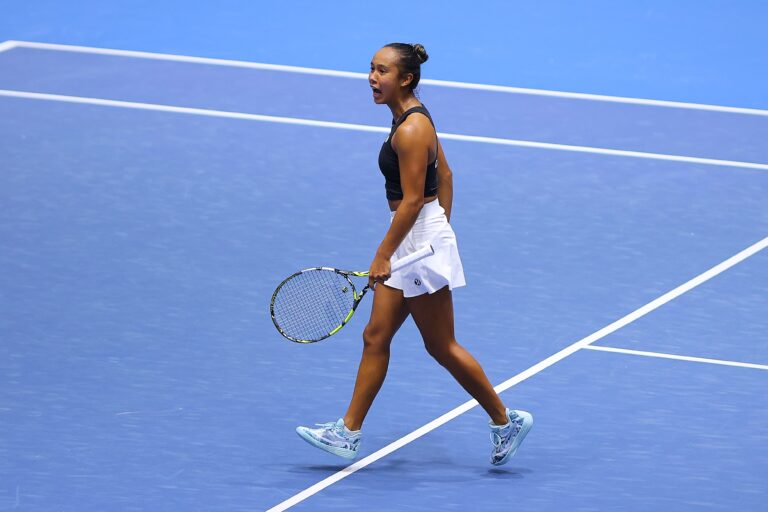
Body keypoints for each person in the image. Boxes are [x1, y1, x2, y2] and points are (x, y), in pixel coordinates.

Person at [296, 43, 532, 466]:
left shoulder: (410, 129)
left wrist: (395, 251)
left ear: (405, 78)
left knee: (441, 345)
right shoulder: (410, 118)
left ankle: (505, 420)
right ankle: (347, 432)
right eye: (370, 68)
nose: (372, 77)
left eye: (382, 71)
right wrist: (438, 229)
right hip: (416, 237)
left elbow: (409, 202)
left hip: (413, 239)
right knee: (375, 335)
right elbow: (448, 176)